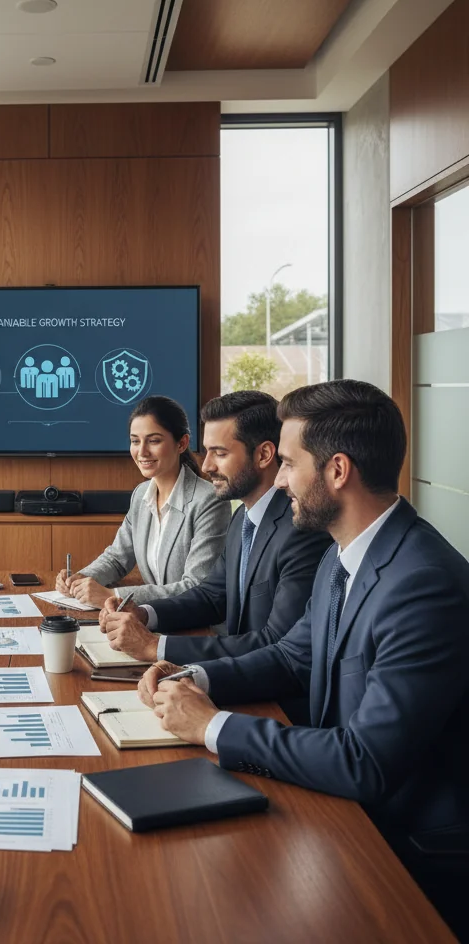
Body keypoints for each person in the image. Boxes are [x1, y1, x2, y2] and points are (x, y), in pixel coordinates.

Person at [137, 380, 469, 939]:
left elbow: (365, 760)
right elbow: (292, 657)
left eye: (289, 463)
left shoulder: (423, 584)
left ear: (337, 471)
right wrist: (191, 677)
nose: (280, 478)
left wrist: (211, 726)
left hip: (403, 852)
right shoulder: (345, 555)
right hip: (339, 809)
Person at [101, 392, 332, 680]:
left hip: (271, 698)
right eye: (207, 451)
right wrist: (144, 613)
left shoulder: (301, 531)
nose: (207, 466)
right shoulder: (243, 517)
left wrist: (155, 646)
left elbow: (275, 642)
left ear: (263, 455)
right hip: (234, 675)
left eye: (220, 453)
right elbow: (212, 596)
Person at [56, 395, 230, 606]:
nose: (142, 452)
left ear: (182, 443)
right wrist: (81, 580)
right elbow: (117, 559)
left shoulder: (209, 500)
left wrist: (114, 597)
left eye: (154, 441)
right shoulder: (141, 494)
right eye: (135, 441)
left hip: (195, 626)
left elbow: (196, 586)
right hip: (150, 619)